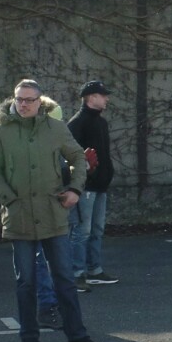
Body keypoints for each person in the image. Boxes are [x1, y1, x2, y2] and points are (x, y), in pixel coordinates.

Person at [0, 78, 101, 342]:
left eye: (29, 100)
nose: (23, 105)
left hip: (53, 214)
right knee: (26, 281)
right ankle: (29, 336)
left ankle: (76, 334)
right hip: (19, 215)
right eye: (19, 99)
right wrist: (8, 199)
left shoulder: (55, 128)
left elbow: (78, 158)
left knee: (64, 277)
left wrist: (74, 189)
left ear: (40, 102)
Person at [66, 80, 118, 285]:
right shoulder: (77, 123)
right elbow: (69, 156)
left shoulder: (100, 122)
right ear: (91, 97)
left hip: (100, 186)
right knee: (82, 231)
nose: (106, 98)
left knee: (96, 229)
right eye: (102, 95)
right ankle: (77, 272)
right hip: (85, 187)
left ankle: (94, 269)